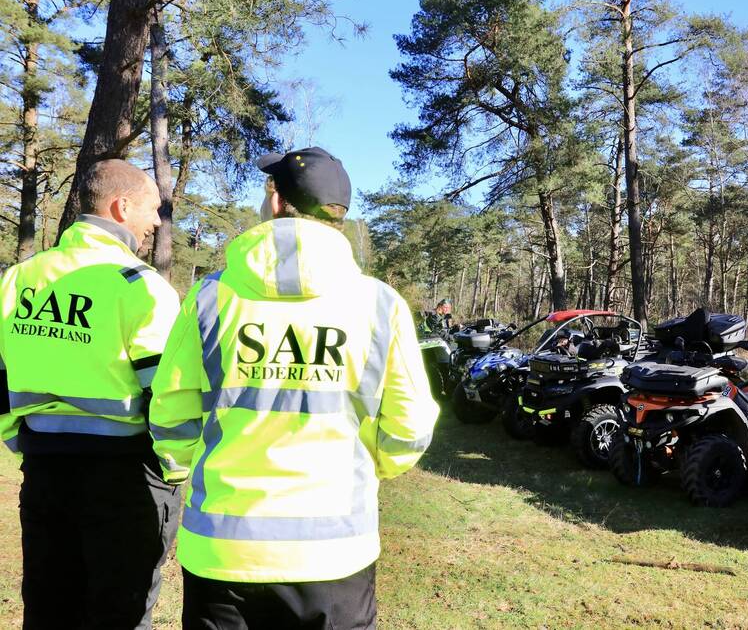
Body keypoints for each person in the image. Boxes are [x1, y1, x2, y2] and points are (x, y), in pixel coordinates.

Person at [149, 146, 440, 630]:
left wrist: (180, 467)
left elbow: (171, 414)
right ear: (338, 218)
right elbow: (409, 428)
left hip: (224, 548)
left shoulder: (210, 298)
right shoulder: (379, 305)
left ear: (279, 203)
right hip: (334, 552)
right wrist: (369, 468)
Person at [0, 159, 181, 629]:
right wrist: (174, 470)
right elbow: (167, 394)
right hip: (125, 477)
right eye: (153, 209)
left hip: (43, 470)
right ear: (121, 207)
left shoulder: (20, 279)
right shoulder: (141, 287)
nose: (157, 222)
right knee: (117, 612)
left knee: (49, 605)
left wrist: (19, 440)